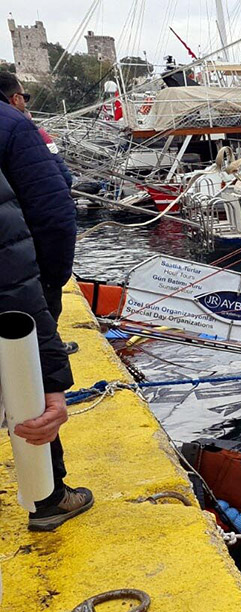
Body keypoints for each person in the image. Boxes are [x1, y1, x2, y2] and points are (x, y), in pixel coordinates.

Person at [0, 75, 91, 531]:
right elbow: (55, 214)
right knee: (30, 393)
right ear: (16, 97)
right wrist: (50, 290)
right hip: (15, 298)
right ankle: (47, 497)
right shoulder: (16, 127)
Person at [0, 72, 79, 354]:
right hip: (20, 257)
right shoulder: (22, 129)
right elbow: (56, 199)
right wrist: (55, 273)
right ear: (16, 98)